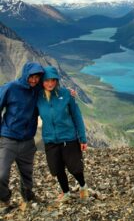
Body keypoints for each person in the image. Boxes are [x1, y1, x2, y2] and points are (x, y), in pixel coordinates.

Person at [37, 66, 88, 202]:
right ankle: (66, 192)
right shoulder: (38, 97)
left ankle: (83, 186)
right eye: (47, 80)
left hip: (68, 138)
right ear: (42, 81)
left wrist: (82, 138)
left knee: (75, 168)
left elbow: (77, 116)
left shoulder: (66, 94)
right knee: (57, 169)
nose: (50, 83)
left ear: (57, 81)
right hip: (50, 140)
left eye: (53, 80)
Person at [0, 62, 44, 212]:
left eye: (37, 77)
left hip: (27, 141)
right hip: (9, 139)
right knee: (1, 174)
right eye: (31, 77)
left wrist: (69, 92)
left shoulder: (38, 90)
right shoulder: (11, 87)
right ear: (25, 74)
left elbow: (54, 89)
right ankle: (5, 199)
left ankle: (28, 197)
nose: (34, 80)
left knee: (27, 175)